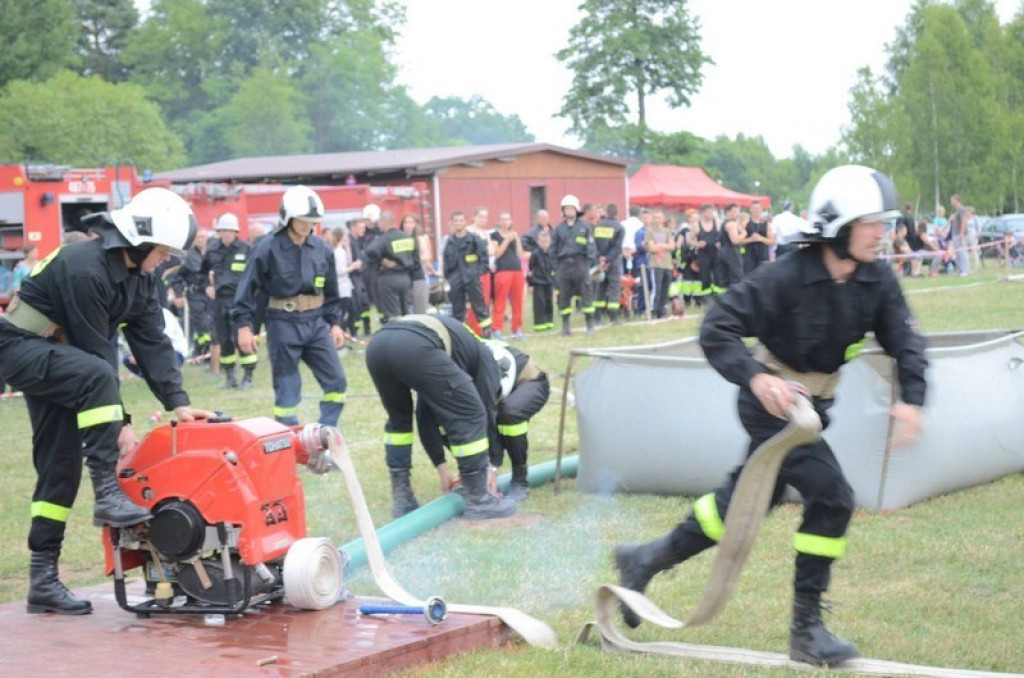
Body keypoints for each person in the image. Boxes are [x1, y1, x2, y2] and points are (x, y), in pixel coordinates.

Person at [613, 165, 928, 668]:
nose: (883, 232)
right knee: (834, 498)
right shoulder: (784, 276)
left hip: (814, 410)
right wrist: (756, 378)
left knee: (745, 500)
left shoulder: (877, 279)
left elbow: (906, 341)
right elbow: (717, 326)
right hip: (772, 409)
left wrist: (912, 398)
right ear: (839, 225)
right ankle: (806, 631)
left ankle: (644, 559)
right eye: (873, 222)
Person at [0, 188, 211, 615]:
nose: (166, 259)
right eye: (164, 251)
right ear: (142, 240)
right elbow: (96, 353)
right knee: (97, 374)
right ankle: (107, 493)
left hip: (62, 361)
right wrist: (121, 424)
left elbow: (150, 339)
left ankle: (42, 579)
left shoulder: (140, 278)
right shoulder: (85, 268)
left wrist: (178, 402)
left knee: (59, 468)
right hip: (22, 349)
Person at [364, 314, 517, 520]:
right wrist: (490, 466)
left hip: (378, 346)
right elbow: (484, 412)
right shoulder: (487, 360)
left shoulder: (456, 352)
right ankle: (479, 500)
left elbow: (424, 415)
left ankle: (402, 498)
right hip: (414, 345)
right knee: (471, 413)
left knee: (399, 423)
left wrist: (441, 467)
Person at [233, 186, 348, 428]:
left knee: (337, 382)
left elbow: (331, 292)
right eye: (303, 220)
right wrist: (244, 326)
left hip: (316, 323)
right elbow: (247, 289)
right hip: (282, 322)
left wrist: (335, 323)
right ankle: (291, 439)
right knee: (287, 389)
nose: (308, 225)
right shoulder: (266, 247)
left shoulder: (322, 249)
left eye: (312, 221)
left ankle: (324, 435)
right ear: (287, 217)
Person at [202, 213, 256, 389]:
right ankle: (230, 377)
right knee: (224, 339)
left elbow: (254, 274)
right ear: (219, 232)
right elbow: (202, 272)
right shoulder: (212, 249)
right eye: (223, 231)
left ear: (235, 231)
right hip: (219, 300)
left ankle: (248, 377)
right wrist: (207, 286)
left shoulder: (245, 248)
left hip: (239, 300)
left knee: (242, 339)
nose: (226, 234)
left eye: (229, 231)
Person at [552, 194, 597, 336]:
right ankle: (566, 327)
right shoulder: (558, 229)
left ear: (576, 210)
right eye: (566, 209)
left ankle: (590, 325)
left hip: (580, 264)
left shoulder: (585, 227)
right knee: (564, 297)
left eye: (571, 208)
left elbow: (591, 247)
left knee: (586, 295)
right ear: (563, 211)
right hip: (564, 266)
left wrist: (589, 266)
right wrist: (555, 267)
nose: (569, 211)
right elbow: (553, 249)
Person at [442, 210, 492, 336]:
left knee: (480, 308)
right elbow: (446, 261)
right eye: (456, 220)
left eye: (461, 220)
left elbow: (484, 259)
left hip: (472, 278)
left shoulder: (474, 239)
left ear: (465, 222)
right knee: (457, 310)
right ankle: (461, 336)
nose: (458, 223)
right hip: (456, 279)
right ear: (452, 223)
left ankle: (487, 334)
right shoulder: (449, 241)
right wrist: (449, 278)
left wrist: (477, 273)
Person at [363, 210, 417, 324]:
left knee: (393, 316)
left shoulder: (384, 238)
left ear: (384, 222)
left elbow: (369, 251)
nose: (378, 225)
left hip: (389, 279)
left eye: (379, 222)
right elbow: (414, 257)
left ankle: (396, 339)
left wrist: (381, 260)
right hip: (406, 278)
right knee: (406, 313)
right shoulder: (406, 237)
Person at [167, 228, 213, 361]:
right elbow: (175, 278)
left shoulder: (212, 253)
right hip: (195, 296)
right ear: (194, 239)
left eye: (203, 237)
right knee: (204, 325)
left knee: (207, 327)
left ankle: (200, 352)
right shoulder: (187, 256)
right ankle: (205, 354)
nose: (201, 239)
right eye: (198, 237)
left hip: (210, 296)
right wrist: (179, 294)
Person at [489, 211, 526, 340]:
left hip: (517, 270)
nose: (505, 222)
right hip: (502, 271)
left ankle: (517, 328)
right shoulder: (494, 235)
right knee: (500, 301)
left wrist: (517, 239)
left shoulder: (514, 234)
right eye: (503, 220)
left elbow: (520, 254)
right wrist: (506, 240)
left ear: (511, 221)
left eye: (508, 219)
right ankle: (497, 329)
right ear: (499, 221)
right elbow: (497, 253)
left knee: (517, 302)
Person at [592, 203, 625, 324]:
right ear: (617, 213)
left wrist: (600, 259)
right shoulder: (619, 228)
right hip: (614, 261)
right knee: (614, 288)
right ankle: (613, 317)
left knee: (600, 288)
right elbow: (617, 248)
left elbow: (594, 245)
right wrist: (608, 259)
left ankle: (597, 317)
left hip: (600, 261)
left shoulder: (598, 226)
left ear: (606, 213)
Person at [643, 210, 675, 318]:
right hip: (656, 265)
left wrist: (659, 245)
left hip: (667, 264)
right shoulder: (650, 232)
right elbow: (651, 248)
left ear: (663, 219)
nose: (657, 220)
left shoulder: (667, 231)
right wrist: (665, 245)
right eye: (655, 218)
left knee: (665, 289)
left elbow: (672, 246)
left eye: (659, 217)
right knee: (657, 288)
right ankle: (653, 310)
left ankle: (662, 310)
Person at [527, 229, 556, 332]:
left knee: (549, 302)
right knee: (540, 303)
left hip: (548, 282)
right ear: (538, 242)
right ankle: (539, 324)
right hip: (538, 282)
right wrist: (530, 284)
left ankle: (549, 322)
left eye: (546, 241)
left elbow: (553, 268)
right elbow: (530, 269)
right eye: (542, 242)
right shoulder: (535, 254)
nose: (544, 244)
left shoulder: (551, 254)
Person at [743, 200, 774, 274]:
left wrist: (760, 239)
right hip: (749, 255)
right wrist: (751, 239)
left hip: (763, 255)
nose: (756, 210)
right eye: (754, 208)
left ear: (761, 209)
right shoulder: (745, 223)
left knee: (763, 276)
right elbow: (739, 241)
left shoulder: (767, 224)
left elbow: (772, 242)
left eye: (757, 208)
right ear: (750, 209)